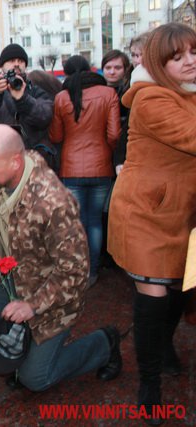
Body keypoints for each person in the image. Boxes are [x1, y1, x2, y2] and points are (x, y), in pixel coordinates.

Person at [0, 124, 122, 392]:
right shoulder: (4, 169)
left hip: (52, 296)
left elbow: (75, 273)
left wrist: (32, 306)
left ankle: (104, 344)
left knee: (35, 379)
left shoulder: (54, 204)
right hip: (17, 280)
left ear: (15, 162)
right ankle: (26, 355)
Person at [108, 23, 196, 421]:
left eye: (194, 53)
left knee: (181, 289)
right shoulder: (150, 98)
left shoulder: (188, 93)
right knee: (153, 298)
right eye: (177, 58)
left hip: (185, 213)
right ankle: (149, 382)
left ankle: (163, 347)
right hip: (148, 212)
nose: (189, 62)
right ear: (159, 64)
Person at [49, 55, 120, 287]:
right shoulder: (109, 94)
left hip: (71, 168)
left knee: (75, 221)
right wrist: (105, 152)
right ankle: (93, 271)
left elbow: (56, 136)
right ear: (91, 69)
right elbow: (114, 135)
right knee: (95, 221)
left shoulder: (61, 97)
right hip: (101, 167)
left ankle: (76, 269)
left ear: (67, 73)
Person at [0, 43, 54, 150]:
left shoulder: (35, 90)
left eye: (20, 61)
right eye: (12, 61)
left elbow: (44, 117)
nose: (16, 64)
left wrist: (23, 99)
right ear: (1, 65)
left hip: (27, 152)